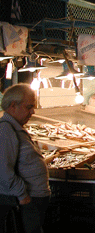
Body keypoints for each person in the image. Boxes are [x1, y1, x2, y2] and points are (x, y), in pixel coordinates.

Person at [0, 84, 51, 233]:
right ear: (13, 105)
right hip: (25, 202)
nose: (32, 112)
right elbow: (3, 170)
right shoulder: (5, 130)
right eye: (29, 107)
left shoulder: (15, 127)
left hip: (33, 200)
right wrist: (23, 196)